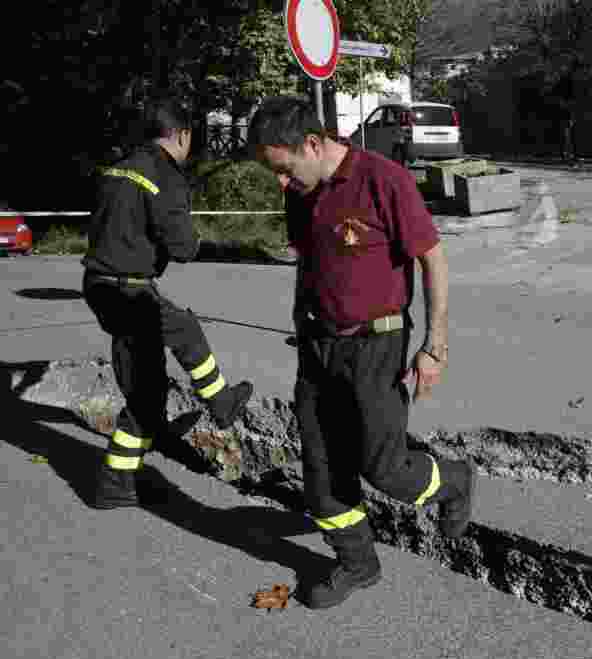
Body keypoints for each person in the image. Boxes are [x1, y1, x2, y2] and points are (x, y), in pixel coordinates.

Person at [246, 96, 476, 610]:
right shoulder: (300, 192)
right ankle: (357, 562)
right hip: (318, 347)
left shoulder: (383, 179)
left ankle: (455, 481)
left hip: (378, 345)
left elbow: (432, 259)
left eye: (283, 170)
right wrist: (302, 320)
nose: (281, 183)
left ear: (311, 143)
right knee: (320, 469)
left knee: (386, 468)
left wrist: (434, 347)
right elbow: (309, 261)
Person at [81, 93, 254, 509]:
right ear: (181, 134)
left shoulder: (118, 168)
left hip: (101, 283)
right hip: (129, 290)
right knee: (183, 332)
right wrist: (196, 242)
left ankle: (122, 477)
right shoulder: (165, 174)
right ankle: (220, 402)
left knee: (149, 389)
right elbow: (181, 246)